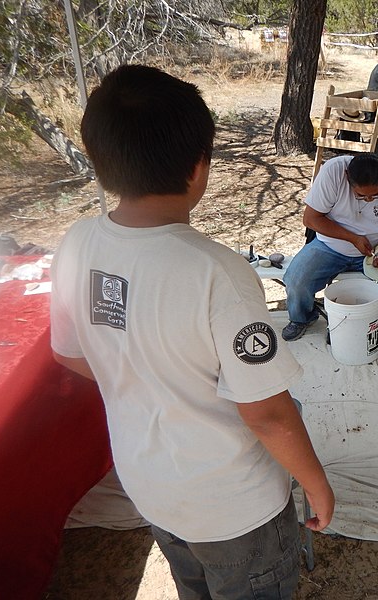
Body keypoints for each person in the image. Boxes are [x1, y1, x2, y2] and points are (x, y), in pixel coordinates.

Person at [50, 65, 334, 599]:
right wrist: (315, 483)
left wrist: (142, 376)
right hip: (235, 505)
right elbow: (267, 412)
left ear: (98, 159)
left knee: (192, 585)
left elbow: (70, 354)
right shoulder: (218, 272)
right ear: (199, 167)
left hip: (149, 485)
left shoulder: (77, 244)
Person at [282, 154, 378, 367]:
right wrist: (352, 238)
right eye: (362, 195)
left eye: (377, 194)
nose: (370, 200)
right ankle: (302, 317)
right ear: (347, 178)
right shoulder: (333, 172)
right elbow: (311, 219)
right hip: (330, 246)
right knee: (296, 278)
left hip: (376, 249)